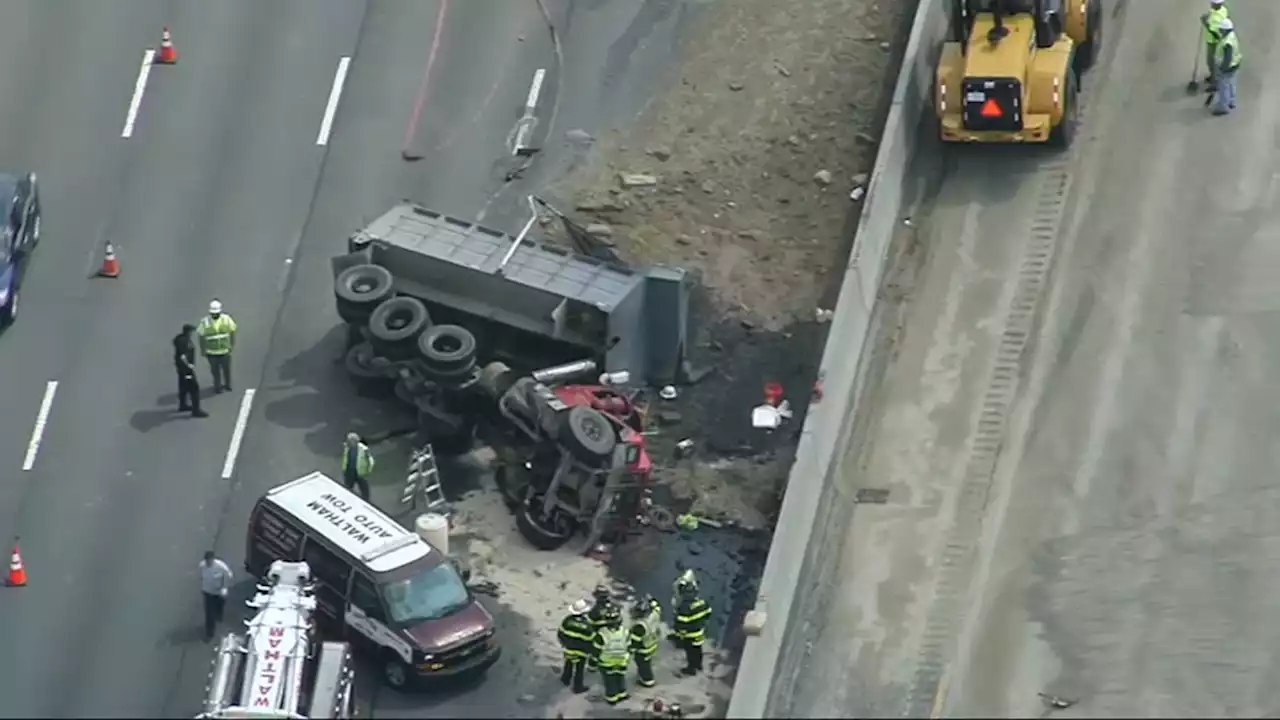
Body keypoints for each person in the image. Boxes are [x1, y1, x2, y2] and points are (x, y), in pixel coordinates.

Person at [197, 299, 237, 393]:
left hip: (225, 350)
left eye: (216, 313)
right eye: (212, 313)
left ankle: (228, 385)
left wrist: (232, 344)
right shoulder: (205, 322)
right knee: (215, 372)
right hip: (211, 352)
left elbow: (232, 331)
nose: (214, 315)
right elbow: (201, 336)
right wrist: (203, 349)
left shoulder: (226, 319)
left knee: (226, 370)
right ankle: (217, 387)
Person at [557, 598, 596, 694]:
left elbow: (561, 633)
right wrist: (589, 651)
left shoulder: (567, 620)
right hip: (581, 652)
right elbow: (591, 640)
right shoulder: (587, 625)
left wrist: (564, 644)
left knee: (568, 664)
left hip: (568, 649)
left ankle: (565, 679)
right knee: (579, 670)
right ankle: (577, 687)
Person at [672, 581, 711, 676]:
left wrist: (680, 636)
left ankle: (691, 669)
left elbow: (681, 624)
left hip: (689, 635)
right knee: (698, 649)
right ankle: (699, 665)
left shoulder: (684, 607)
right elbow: (708, 612)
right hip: (700, 632)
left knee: (690, 652)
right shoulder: (702, 602)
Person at [593, 614, 632, 705]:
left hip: (607, 663)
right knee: (620, 678)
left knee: (610, 681)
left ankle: (612, 698)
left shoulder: (602, 634)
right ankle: (622, 694)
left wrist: (593, 661)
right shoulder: (625, 631)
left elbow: (596, 649)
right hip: (622, 661)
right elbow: (629, 645)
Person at [173, 323, 207, 418]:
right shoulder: (184, 342)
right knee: (194, 388)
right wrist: (189, 365)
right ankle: (196, 411)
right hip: (186, 370)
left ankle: (182, 405)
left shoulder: (180, 339)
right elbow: (183, 355)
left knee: (183, 386)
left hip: (180, 368)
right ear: (188, 332)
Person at [628, 595, 662, 688]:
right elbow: (657, 607)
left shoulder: (640, 626)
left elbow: (635, 642)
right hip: (653, 643)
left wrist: (630, 649)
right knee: (647, 661)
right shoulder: (654, 614)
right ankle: (644, 676)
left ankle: (648, 680)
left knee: (643, 664)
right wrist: (651, 600)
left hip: (644, 649)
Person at [199, 550, 233, 641]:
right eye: (207, 561)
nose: (208, 562)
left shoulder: (220, 566)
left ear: (213, 560)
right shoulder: (202, 566)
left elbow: (228, 575)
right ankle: (209, 632)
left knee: (219, 608)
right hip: (208, 592)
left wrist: (224, 588)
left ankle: (219, 615)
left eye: (209, 560)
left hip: (218, 592)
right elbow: (202, 577)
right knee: (209, 613)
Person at [1211, 16, 1241, 116]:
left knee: (1224, 87)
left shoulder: (1227, 43)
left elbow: (1227, 57)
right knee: (1232, 84)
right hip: (1234, 65)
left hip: (1227, 67)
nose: (1220, 31)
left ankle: (1223, 107)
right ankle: (1231, 102)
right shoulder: (1231, 36)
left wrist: (1222, 69)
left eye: (1221, 29)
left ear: (1225, 30)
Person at [586, 584, 619, 669]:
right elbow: (619, 620)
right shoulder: (615, 606)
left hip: (600, 636)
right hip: (614, 635)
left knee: (595, 652)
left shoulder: (595, 611)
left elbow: (590, 625)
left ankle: (592, 667)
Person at [1201, 0, 1230, 87]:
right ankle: (1213, 76)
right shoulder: (1223, 10)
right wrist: (1207, 17)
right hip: (1212, 41)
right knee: (1212, 62)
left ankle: (1215, 82)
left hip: (1214, 42)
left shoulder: (1217, 17)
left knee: (1211, 62)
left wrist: (1205, 23)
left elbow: (1216, 34)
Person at [341, 432, 375, 500]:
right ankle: (347, 499)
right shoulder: (347, 447)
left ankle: (366, 501)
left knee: (364, 489)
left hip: (360, 472)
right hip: (349, 471)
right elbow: (345, 458)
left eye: (350, 441)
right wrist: (344, 469)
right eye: (348, 441)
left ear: (355, 441)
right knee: (348, 487)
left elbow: (370, 460)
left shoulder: (364, 449)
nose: (349, 443)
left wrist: (368, 470)